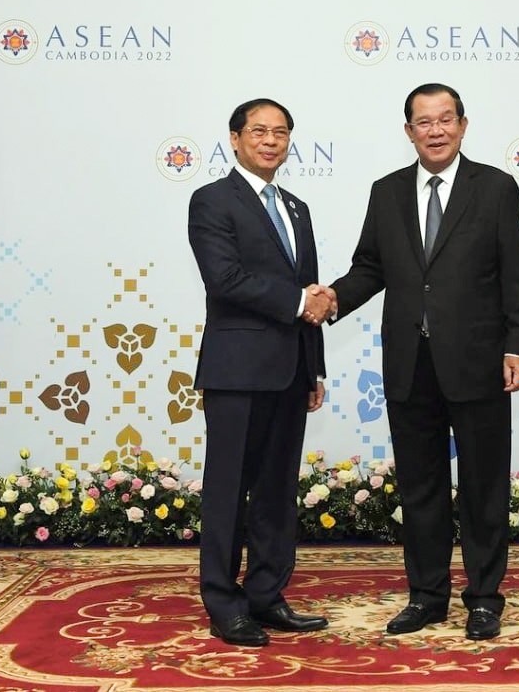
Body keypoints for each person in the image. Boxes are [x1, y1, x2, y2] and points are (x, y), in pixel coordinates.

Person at [324, 82, 519, 640]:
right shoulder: (386, 191)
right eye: (424, 122)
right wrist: (333, 299)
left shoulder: (495, 188)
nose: (436, 130)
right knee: (419, 488)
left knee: (483, 487)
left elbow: (516, 274)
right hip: (408, 364)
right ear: (408, 131)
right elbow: (371, 267)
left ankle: (485, 597)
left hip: (479, 362)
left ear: (463, 125)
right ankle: (426, 597)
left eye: (446, 119)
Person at [188, 98, 334, 647]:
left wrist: (314, 366)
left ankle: (267, 595)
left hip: (291, 371)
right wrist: (300, 302)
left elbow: (311, 289)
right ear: (234, 138)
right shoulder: (212, 201)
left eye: (280, 132)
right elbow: (224, 279)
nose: (270, 141)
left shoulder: (296, 207)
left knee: (276, 492)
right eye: (258, 131)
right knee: (228, 491)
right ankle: (224, 604)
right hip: (237, 370)